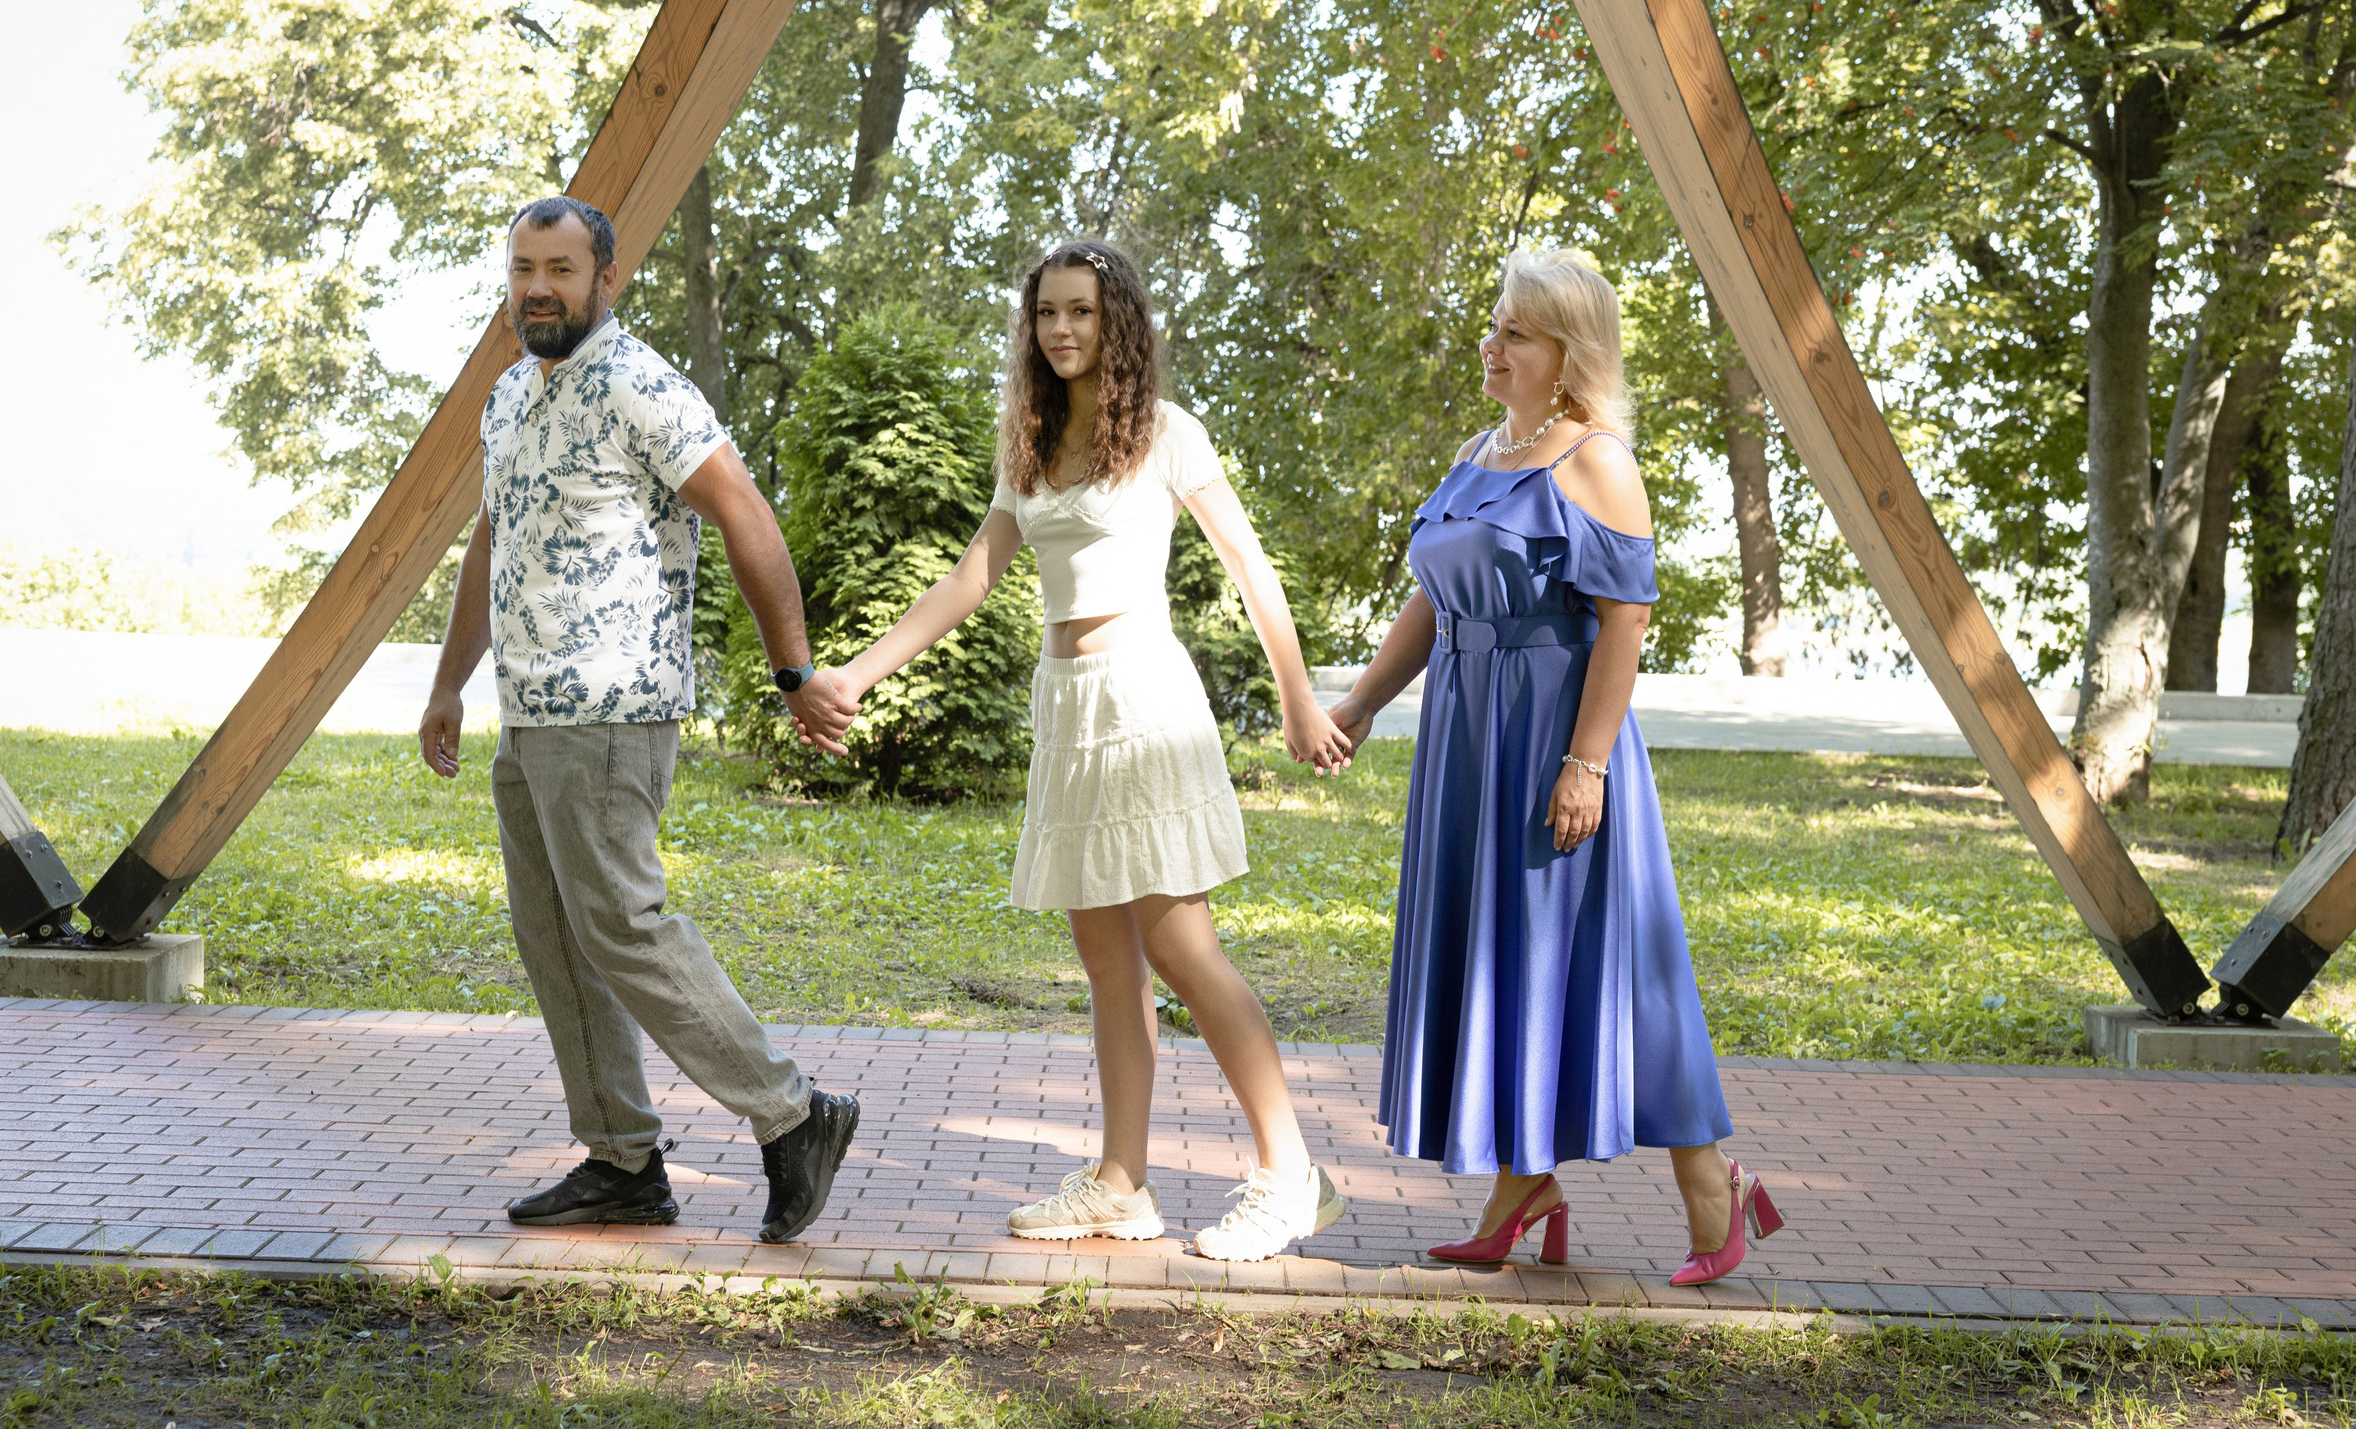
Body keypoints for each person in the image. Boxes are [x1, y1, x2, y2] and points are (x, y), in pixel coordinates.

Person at [794, 240, 1354, 1262]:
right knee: (1105, 964)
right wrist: (855, 674)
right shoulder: (1031, 443)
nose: (1061, 330)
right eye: (1047, 313)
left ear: (1117, 323)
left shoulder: (1166, 435)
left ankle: (1289, 1175)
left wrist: (1299, 699)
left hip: (1143, 696)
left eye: (1082, 313)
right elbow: (969, 580)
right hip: (1069, 705)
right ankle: (1121, 1183)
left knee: (1183, 947)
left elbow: (1250, 566)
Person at [1325, 250, 1787, 1285]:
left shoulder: (1596, 460)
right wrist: (1359, 702)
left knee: (1616, 966)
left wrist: (1586, 765)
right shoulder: (1478, 452)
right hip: (1466, 742)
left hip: (1554, 739)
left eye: (1515, 334)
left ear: (1567, 353)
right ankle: (1519, 1188)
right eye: (1493, 327)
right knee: (1504, 954)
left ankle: (1714, 1194)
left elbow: (1624, 624)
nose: (1490, 347)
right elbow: (1433, 604)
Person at [418, 195, 864, 1241]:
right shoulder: (508, 396)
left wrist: (793, 669)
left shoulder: (640, 385)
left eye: (561, 269)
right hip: (530, 715)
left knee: (620, 923)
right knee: (558, 941)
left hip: (614, 706)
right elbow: (495, 541)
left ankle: (793, 1113)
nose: (538, 286)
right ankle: (620, 1159)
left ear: (602, 279)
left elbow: (745, 511)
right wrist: (450, 681)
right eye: (525, 266)